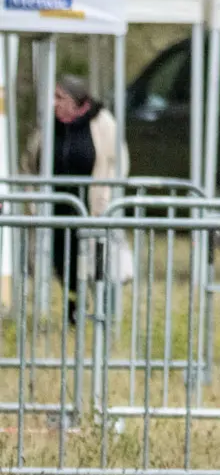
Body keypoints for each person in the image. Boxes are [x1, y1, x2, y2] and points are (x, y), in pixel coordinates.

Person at [47, 73, 127, 322]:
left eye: (59, 97)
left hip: (93, 205)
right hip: (59, 206)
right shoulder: (50, 125)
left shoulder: (103, 123)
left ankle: (103, 310)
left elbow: (118, 162)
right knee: (63, 261)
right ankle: (74, 310)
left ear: (75, 100)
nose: (54, 103)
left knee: (94, 261)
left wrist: (106, 197)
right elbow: (32, 159)